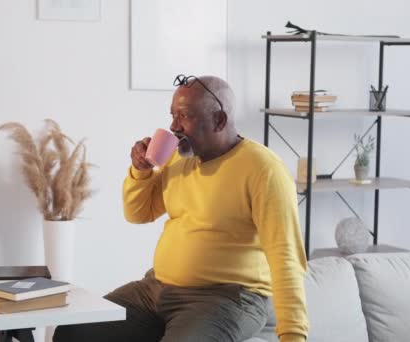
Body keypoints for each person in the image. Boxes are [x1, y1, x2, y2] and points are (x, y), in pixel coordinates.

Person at [53, 75, 309, 342]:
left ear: (219, 120)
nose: (173, 126)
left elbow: (286, 258)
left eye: (184, 116)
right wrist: (141, 172)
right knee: (75, 332)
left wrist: (293, 335)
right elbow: (138, 214)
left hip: (227, 298)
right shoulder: (179, 156)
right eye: (172, 115)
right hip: (155, 289)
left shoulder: (263, 169)